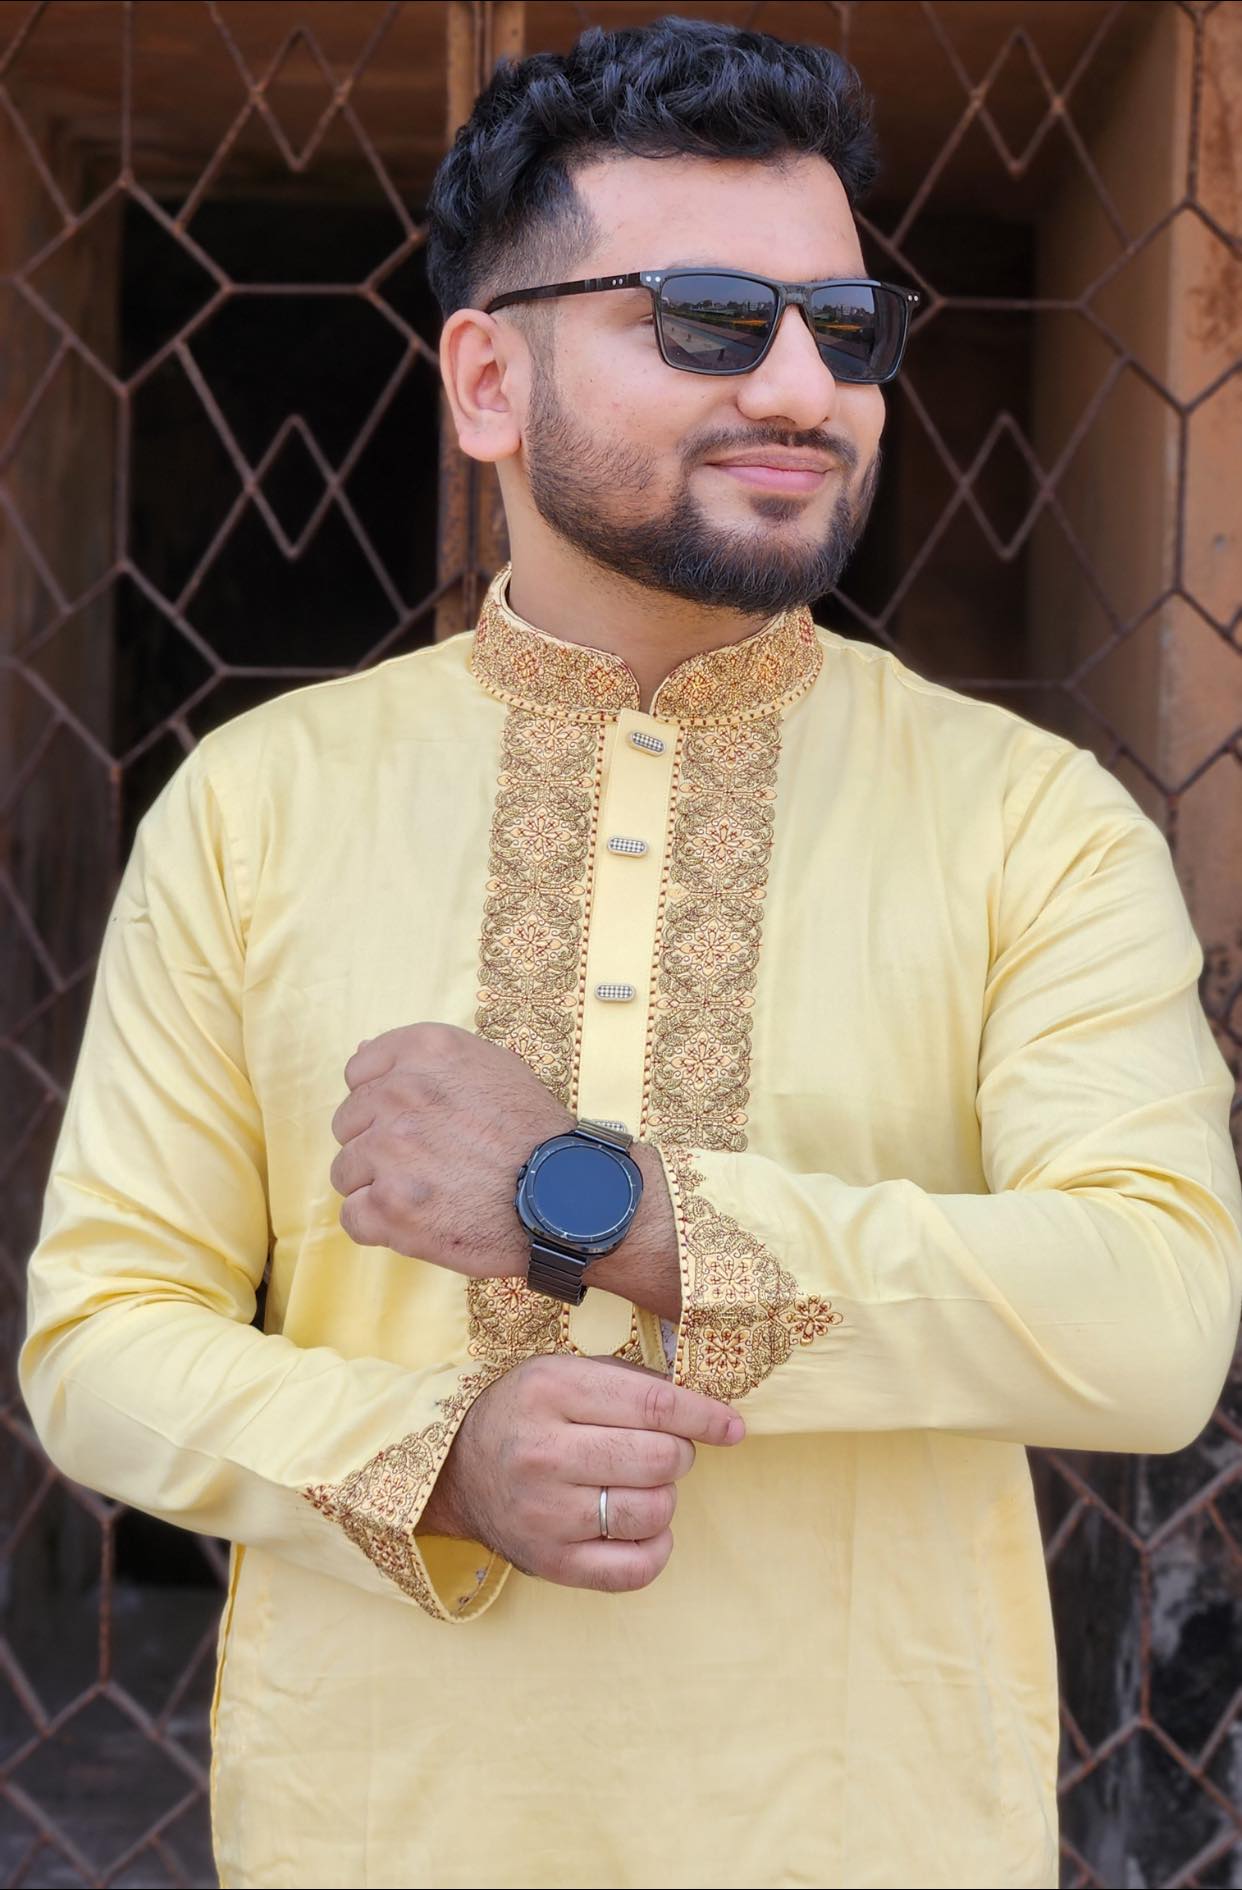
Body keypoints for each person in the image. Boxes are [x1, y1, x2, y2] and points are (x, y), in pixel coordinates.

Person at [19, 14, 1242, 1889]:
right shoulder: (258, 805)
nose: (801, 386)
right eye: (704, 317)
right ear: (487, 379)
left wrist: (605, 1205)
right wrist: (437, 1452)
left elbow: (1152, 1319)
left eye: (844, 328)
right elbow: (102, 1338)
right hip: (380, 1834)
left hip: (862, 1834)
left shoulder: (1030, 821)